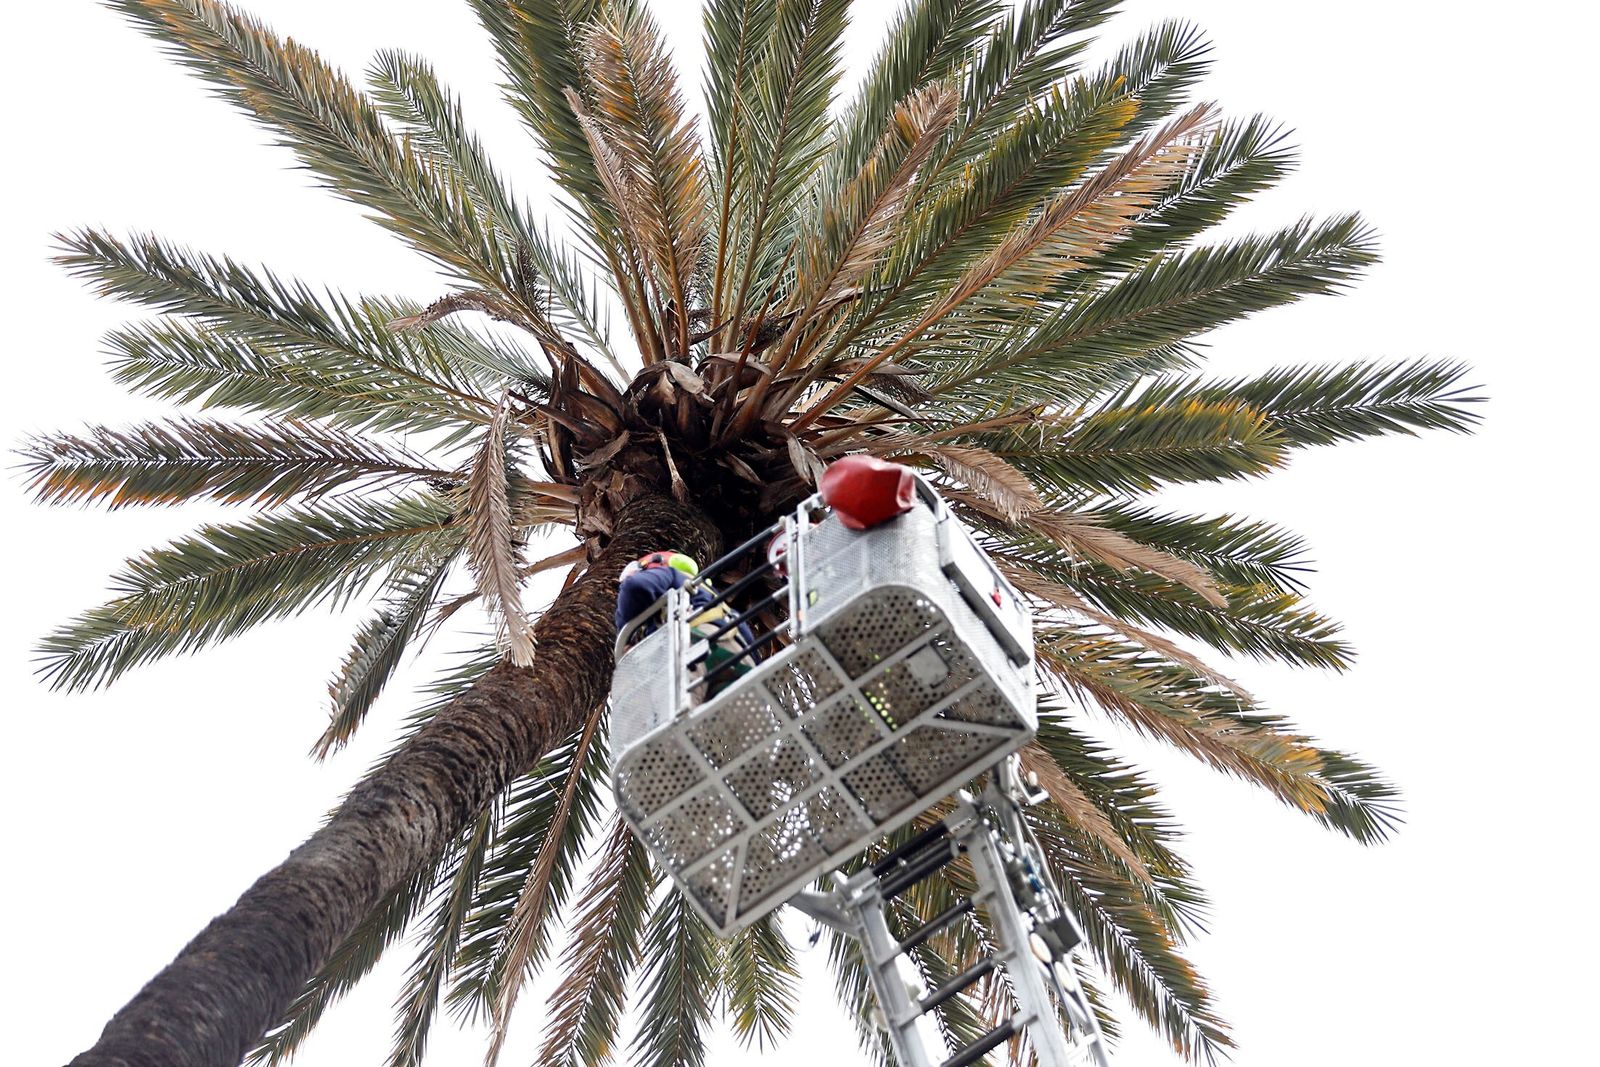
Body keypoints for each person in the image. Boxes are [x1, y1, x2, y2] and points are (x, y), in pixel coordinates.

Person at [614, 550, 758, 698]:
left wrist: (624, 635)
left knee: (678, 713)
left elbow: (635, 587)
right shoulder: (716, 601)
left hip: (696, 646)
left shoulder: (668, 573)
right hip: (741, 659)